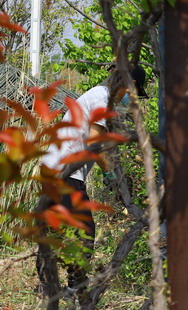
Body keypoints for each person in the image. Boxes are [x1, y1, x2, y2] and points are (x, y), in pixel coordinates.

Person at [36, 65, 148, 294]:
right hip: (65, 170)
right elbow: (95, 142)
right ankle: (74, 287)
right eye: (135, 93)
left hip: (54, 167)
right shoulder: (101, 98)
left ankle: (48, 286)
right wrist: (111, 174)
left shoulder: (100, 97)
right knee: (84, 230)